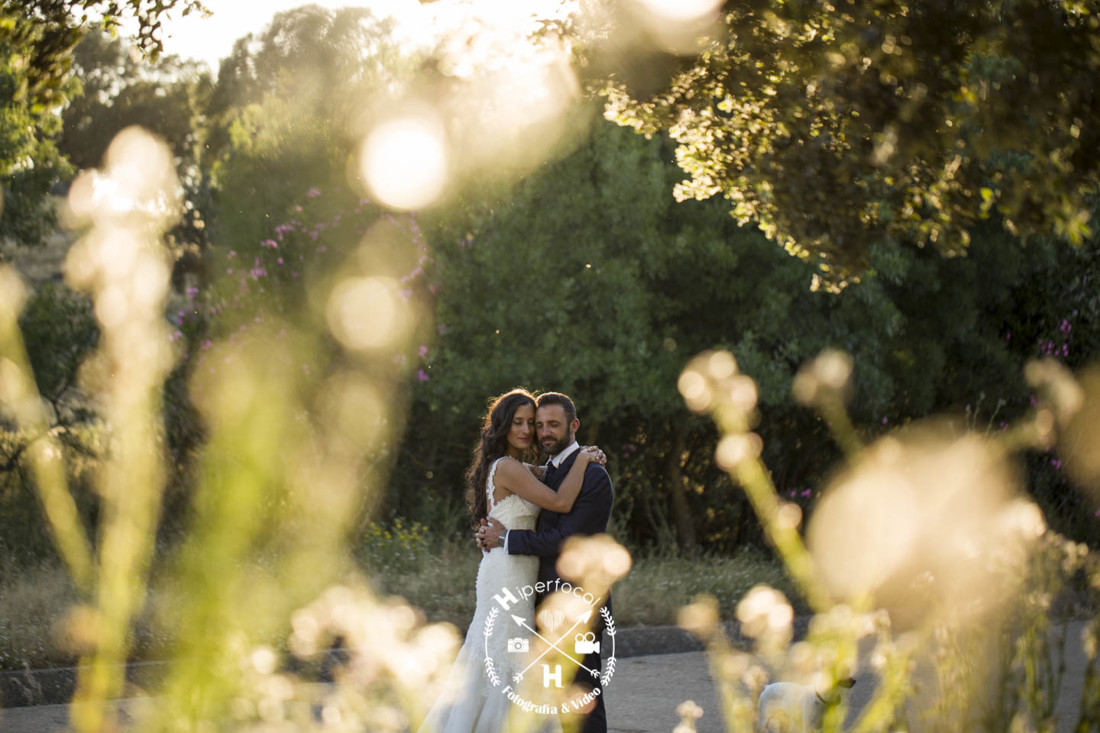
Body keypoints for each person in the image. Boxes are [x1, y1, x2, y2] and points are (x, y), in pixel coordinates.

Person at [419, 389, 604, 733]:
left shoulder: (519, 468)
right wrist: (583, 459)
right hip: (508, 571)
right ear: (501, 426)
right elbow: (561, 502)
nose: (526, 430)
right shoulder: (507, 467)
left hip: (516, 566)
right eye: (517, 422)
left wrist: (580, 454)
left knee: (509, 653)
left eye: (531, 423)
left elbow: (552, 473)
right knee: (506, 654)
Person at [477, 392, 614, 733]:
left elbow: (564, 540)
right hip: (536, 598)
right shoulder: (547, 471)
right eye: (538, 425)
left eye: (552, 424)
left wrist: (505, 538)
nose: (542, 432)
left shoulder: (592, 476)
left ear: (574, 425)